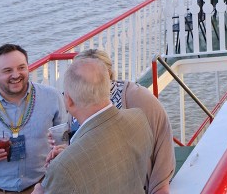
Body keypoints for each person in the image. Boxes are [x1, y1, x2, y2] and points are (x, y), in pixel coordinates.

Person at [0, 44, 66, 194]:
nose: (16, 75)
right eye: (8, 70)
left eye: (21, 67)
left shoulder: (52, 97)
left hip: (41, 187)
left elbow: (65, 140)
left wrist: (60, 149)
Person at [33, 57, 153, 194]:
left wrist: (39, 190)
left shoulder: (63, 168)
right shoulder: (138, 118)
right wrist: (70, 154)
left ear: (69, 101)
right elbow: (106, 159)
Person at [65, 50, 175, 194]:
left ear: (108, 74)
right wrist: (65, 153)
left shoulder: (136, 98)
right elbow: (84, 145)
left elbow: (162, 138)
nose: (81, 83)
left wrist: (159, 187)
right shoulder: (76, 101)